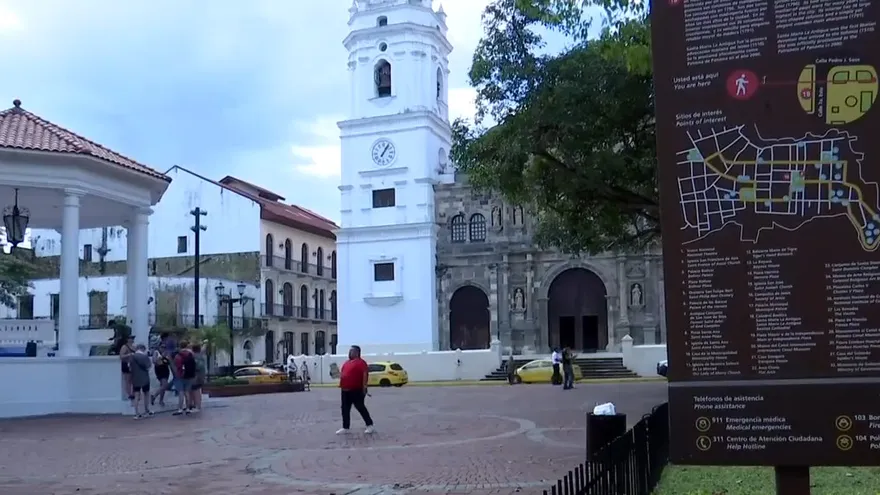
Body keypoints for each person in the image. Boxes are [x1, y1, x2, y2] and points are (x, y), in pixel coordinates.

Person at [336, 345, 374, 435]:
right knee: (345, 408)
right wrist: (336, 374)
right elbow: (343, 374)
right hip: (345, 389)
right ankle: (345, 427)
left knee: (360, 407)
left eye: (351, 351)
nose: (349, 353)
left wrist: (364, 387)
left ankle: (369, 425)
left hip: (356, 389)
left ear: (357, 352)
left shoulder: (361, 363)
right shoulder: (346, 363)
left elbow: (365, 374)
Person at [128, 344, 154, 418]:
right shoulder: (145, 357)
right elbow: (148, 367)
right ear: (143, 349)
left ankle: (136, 413)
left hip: (135, 378)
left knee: (136, 395)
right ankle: (146, 411)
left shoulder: (132, 357)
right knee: (146, 394)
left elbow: (129, 368)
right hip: (145, 378)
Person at [172, 341, 197, 416]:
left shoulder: (178, 355)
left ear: (180, 346)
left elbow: (176, 366)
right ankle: (188, 408)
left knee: (181, 392)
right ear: (187, 346)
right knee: (187, 392)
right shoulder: (191, 354)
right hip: (190, 375)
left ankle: (180, 409)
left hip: (180, 375)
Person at [190, 343, 207, 413]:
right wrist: (205, 343)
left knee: (196, 391)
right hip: (202, 375)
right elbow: (204, 348)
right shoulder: (201, 355)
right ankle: (197, 405)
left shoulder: (194, 356)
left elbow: (196, 366)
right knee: (198, 391)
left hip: (196, 375)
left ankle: (197, 406)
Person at [119, 336, 135, 401]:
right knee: (128, 380)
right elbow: (121, 356)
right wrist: (129, 355)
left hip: (133, 364)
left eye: (133, 338)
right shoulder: (124, 347)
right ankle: (129, 394)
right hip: (126, 364)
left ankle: (133, 393)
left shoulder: (134, 347)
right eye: (131, 338)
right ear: (127, 339)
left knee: (132, 380)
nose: (132, 340)